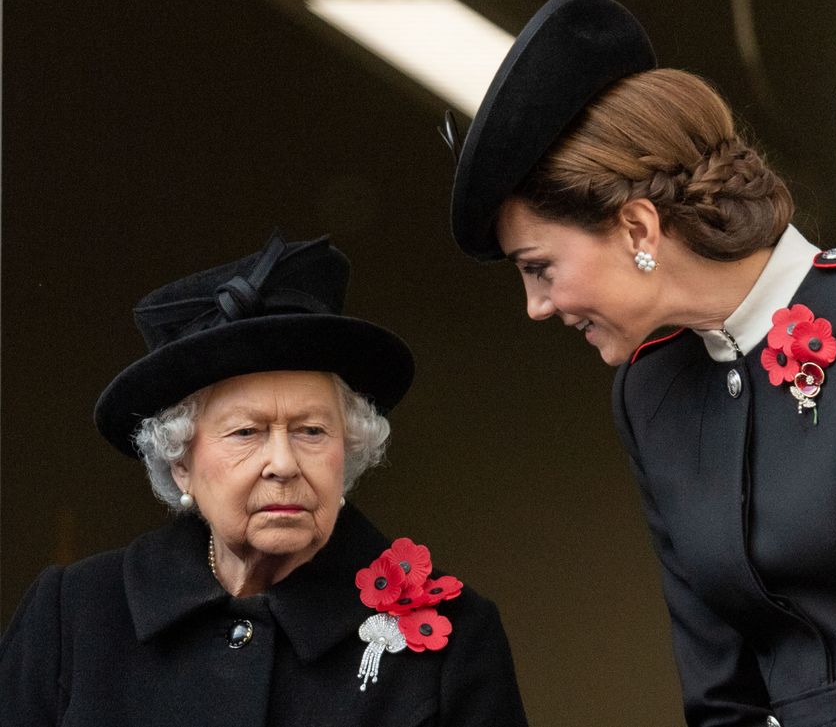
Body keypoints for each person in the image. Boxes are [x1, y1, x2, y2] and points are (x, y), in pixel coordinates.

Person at [441, 0, 836, 726]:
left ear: (638, 228)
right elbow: (718, 695)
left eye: (540, 267)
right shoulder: (648, 391)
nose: (538, 305)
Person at [0, 234, 528, 727]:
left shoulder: (454, 636)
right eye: (247, 432)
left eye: (312, 430)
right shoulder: (74, 614)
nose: (283, 463)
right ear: (180, 461)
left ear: (349, 452)